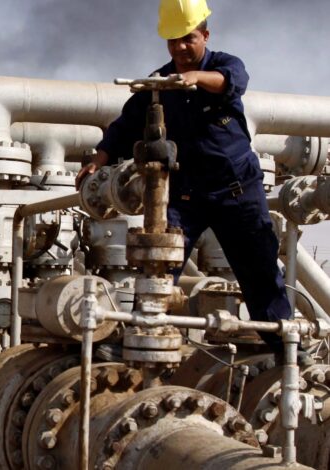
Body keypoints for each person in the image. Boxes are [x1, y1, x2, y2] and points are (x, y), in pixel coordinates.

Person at [76, 0, 304, 362]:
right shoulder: (160, 83)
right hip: (187, 197)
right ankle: (135, 338)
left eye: (188, 39)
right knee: (159, 265)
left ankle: (287, 350)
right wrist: (99, 160)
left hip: (237, 193)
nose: (180, 48)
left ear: (205, 36)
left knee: (260, 271)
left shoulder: (224, 65)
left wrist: (196, 78)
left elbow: (232, 82)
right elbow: (125, 125)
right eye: (173, 41)